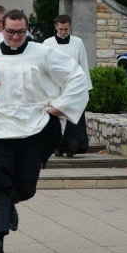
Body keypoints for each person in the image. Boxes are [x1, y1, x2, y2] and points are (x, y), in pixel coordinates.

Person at [0, 10, 89, 253]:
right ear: (1, 30)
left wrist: (59, 106)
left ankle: (8, 207)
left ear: (27, 30)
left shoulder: (43, 52)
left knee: (26, 187)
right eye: (10, 32)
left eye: (21, 32)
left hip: (33, 125)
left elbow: (78, 77)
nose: (15, 37)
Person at [43, 14, 93, 157]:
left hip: (73, 86)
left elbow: (83, 64)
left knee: (72, 114)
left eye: (66, 29)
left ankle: (72, 144)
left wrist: (86, 87)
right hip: (54, 86)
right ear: (56, 27)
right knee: (55, 116)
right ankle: (58, 146)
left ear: (70, 27)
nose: (63, 32)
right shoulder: (47, 44)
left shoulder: (77, 43)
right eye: (61, 29)